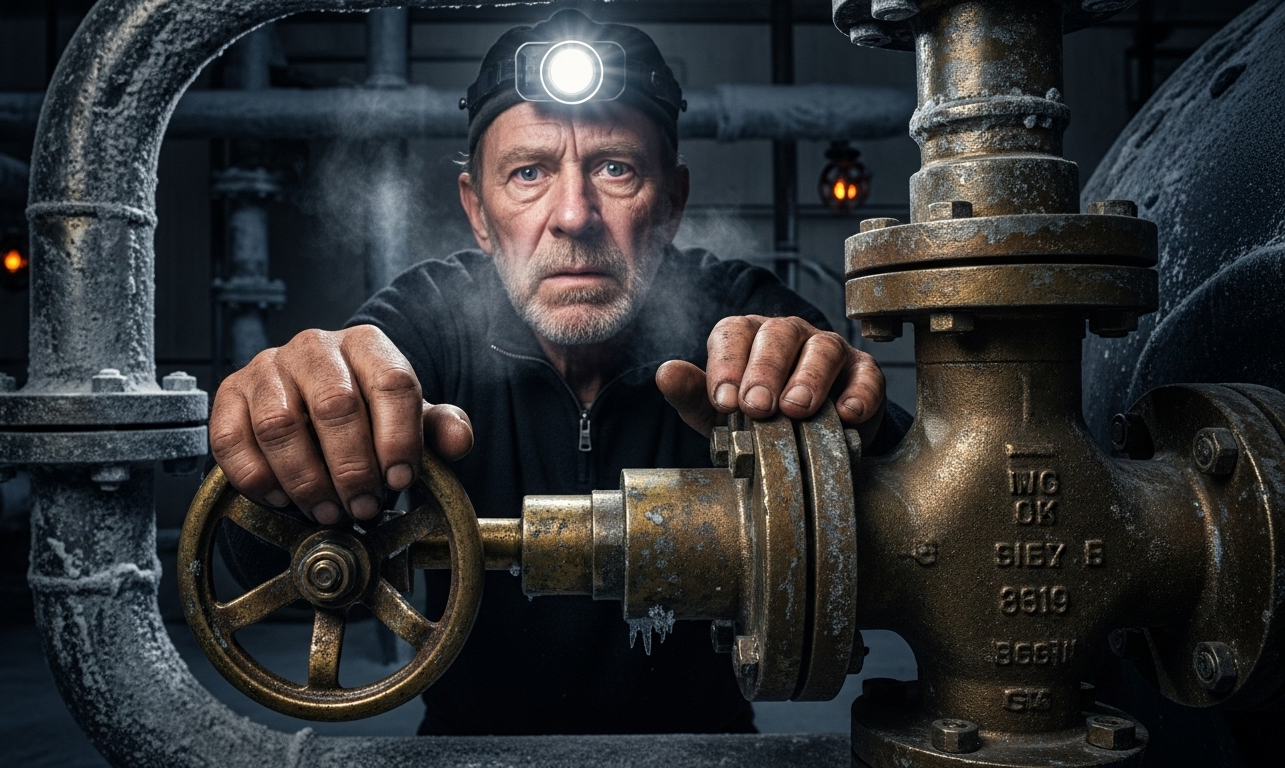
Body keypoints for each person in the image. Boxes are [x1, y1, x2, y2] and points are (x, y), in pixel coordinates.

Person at [209, 9, 899, 736]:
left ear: (670, 204)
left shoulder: (742, 318)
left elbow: (922, 530)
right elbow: (254, 568)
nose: (574, 214)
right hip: (470, 755)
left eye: (615, 168)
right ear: (478, 210)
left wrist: (858, 423)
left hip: (703, 752)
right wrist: (290, 431)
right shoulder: (428, 321)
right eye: (529, 172)